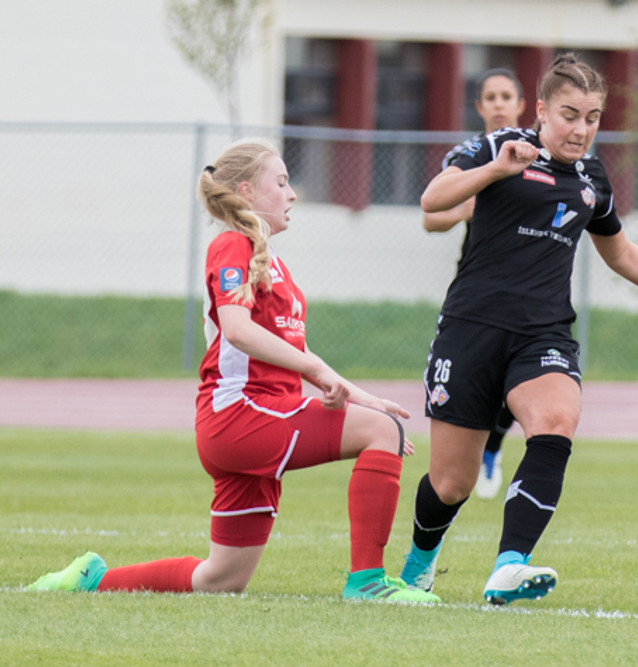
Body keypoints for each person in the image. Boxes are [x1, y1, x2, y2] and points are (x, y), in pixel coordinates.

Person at [401, 53, 638, 605]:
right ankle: (419, 565)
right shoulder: (499, 146)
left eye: (592, 118)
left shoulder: (592, 179)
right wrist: (496, 171)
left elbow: (621, 253)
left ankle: (509, 566)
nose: (581, 129)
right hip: (471, 329)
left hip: (542, 334)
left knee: (556, 422)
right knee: (451, 484)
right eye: (570, 115)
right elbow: (432, 200)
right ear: (542, 110)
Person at [27, 139, 440, 604]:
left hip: (255, 417)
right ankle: (367, 583)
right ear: (246, 191)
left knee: (221, 580)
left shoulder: (271, 260)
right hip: (241, 415)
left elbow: (293, 350)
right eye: (281, 183)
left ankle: (90, 580)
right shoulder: (232, 244)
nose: (292, 194)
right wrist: (343, 393)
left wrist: (361, 398)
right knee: (381, 433)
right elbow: (238, 329)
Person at [423, 68, 526, 500]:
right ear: (480, 107)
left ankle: (493, 446)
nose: (499, 104)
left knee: (522, 378)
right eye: (491, 97)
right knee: (479, 379)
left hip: (530, 286)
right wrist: (466, 209)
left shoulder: (539, 154)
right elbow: (431, 218)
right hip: (479, 285)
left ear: (522, 105)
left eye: (507, 96)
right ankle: (473, 450)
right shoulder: (467, 156)